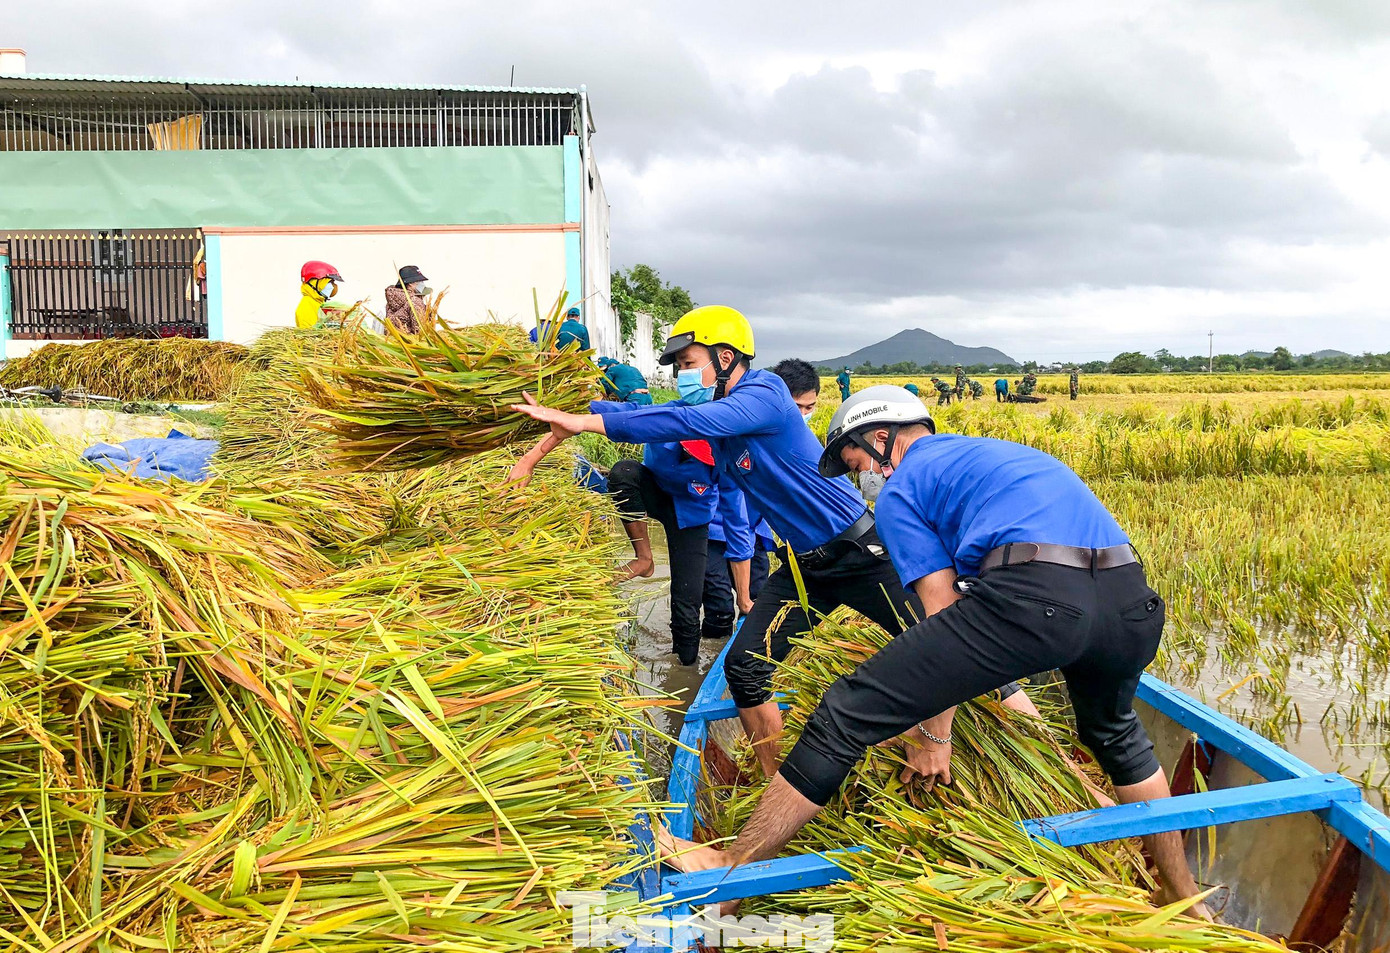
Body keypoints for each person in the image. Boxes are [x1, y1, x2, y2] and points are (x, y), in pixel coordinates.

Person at [662, 384, 1211, 919]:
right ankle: (1181, 897)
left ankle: (730, 869)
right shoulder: (1008, 455)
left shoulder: (903, 491)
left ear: (883, 437)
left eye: (861, 464)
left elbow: (942, 614)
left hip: (1038, 601)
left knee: (843, 713)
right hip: (1131, 602)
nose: (870, 478)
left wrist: (932, 735)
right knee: (1115, 735)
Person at [512, 307, 1033, 775]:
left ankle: (1046, 746)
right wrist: (560, 429)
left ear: (724, 355)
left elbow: (688, 416)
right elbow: (656, 418)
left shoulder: (764, 394)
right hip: (805, 568)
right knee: (745, 670)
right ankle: (771, 781)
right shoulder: (723, 426)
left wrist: (583, 422)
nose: (681, 374)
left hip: (861, 552)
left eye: (687, 361)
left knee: (957, 646)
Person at [295, 261, 346, 330]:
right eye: (329, 282)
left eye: (333, 282)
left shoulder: (318, 303)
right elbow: (310, 336)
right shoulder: (307, 306)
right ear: (314, 283)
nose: (332, 286)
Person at [383, 265, 429, 334]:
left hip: (392, 342)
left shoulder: (393, 300)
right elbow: (420, 332)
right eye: (419, 281)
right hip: (410, 343)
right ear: (410, 284)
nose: (422, 284)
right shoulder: (414, 301)